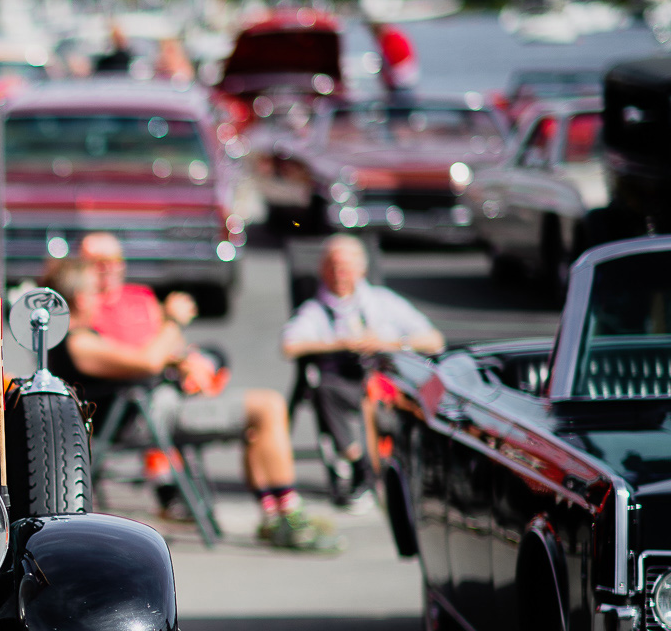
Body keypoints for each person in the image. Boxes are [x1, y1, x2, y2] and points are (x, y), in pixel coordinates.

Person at [48, 232, 343, 552]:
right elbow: (147, 360)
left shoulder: (89, 332)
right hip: (142, 418)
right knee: (268, 406)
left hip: (156, 406)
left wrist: (185, 359)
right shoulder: (79, 342)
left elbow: (152, 357)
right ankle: (289, 514)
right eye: (92, 290)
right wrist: (172, 320)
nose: (99, 295)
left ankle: (277, 514)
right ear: (79, 297)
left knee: (259, 416)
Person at [282, 234, 445, 500]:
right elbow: (289, 345)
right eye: (332, 267)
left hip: (389, 381)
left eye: (344, 267)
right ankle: (363, 467)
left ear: (361, 270)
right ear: (322, 270)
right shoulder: (316, 309)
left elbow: (434, 340)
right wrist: (339, 343)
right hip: (344, 384)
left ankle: (407, 470)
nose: (338, 274)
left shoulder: (382, 301)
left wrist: (388, 342)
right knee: (327, 389)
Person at [369, 21, 419, 101]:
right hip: (399, 86)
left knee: (400, 110)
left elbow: (395, 62)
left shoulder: (392, 38)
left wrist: (386, 77)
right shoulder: (390, 38)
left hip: (401, 87)